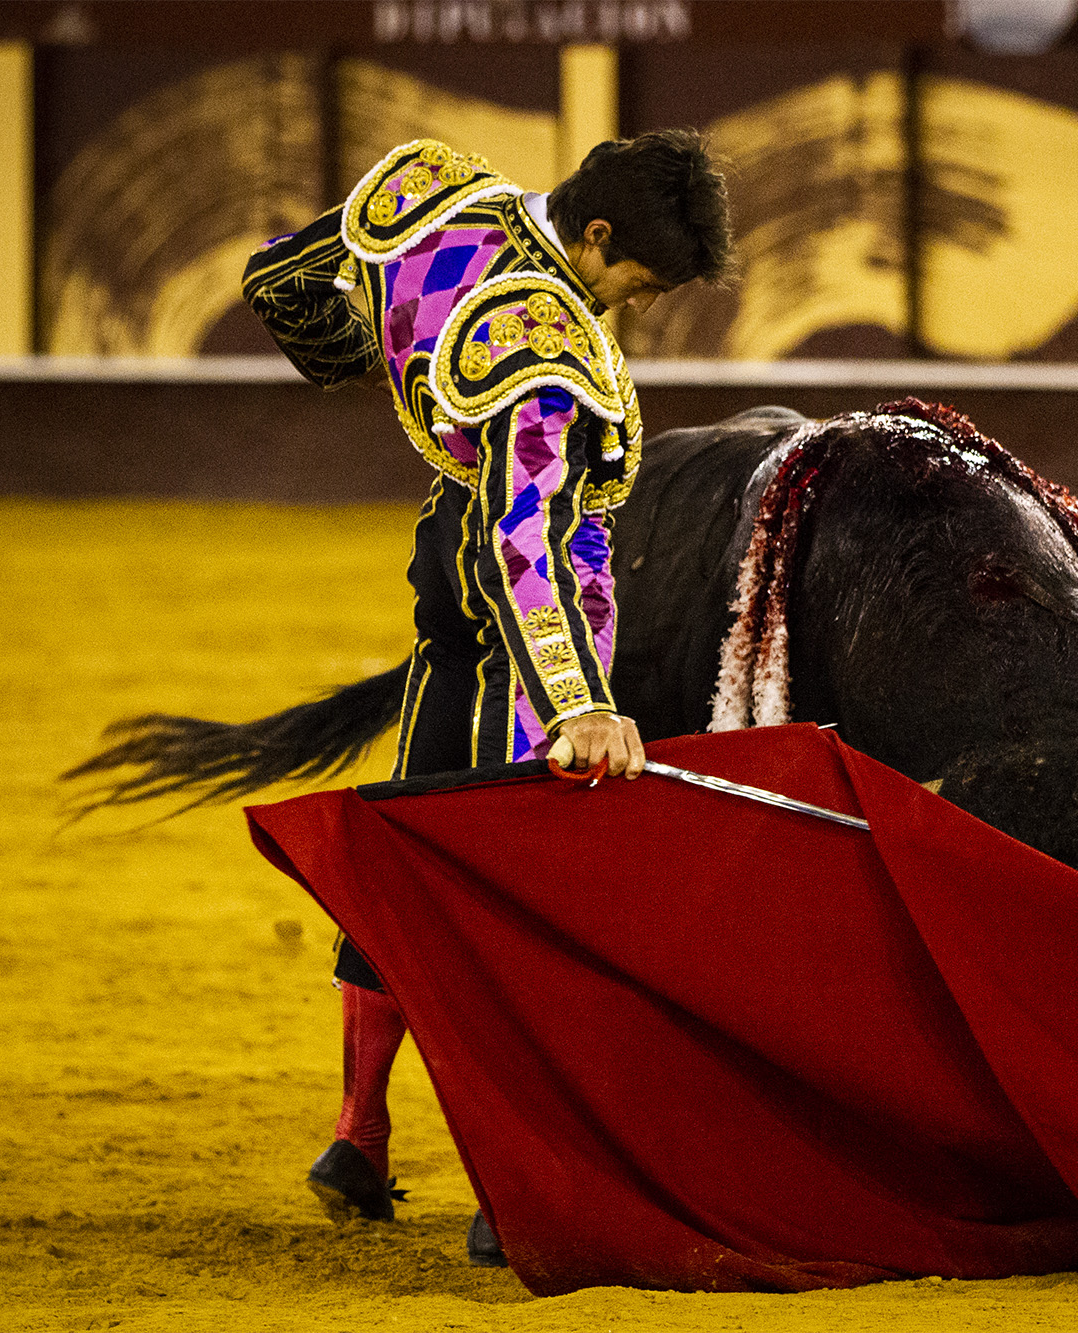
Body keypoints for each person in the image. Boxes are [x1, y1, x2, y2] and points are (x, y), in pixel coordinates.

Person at [240, 129, 732, 1260]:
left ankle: (358, 1135)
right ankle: (509, 1188)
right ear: (596, 234)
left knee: (413, 847)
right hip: (524, 617)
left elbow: (278, 281)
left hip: (441, 565)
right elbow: (530, 538)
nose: (637, 307)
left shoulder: (436, 191)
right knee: (527, 895)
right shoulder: (544, 349)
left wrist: (369, 359)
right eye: (639, 282)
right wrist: (577, 701)